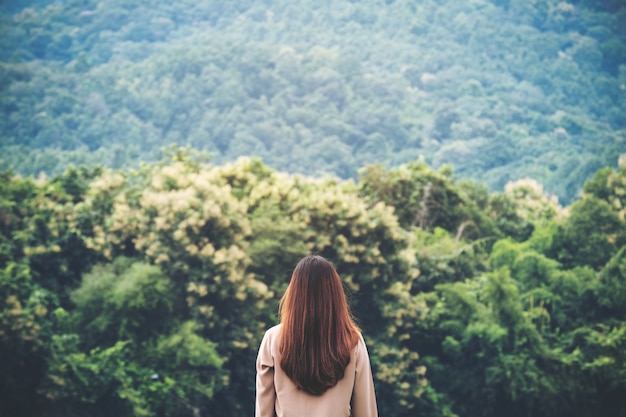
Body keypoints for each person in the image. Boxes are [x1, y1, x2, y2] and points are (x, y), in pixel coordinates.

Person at [255, 255, 378, 417]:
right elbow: (365, 412)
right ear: (335, 295)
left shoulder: (272, 339)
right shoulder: (352, 340)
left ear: (294, 294)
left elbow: (263, 412)